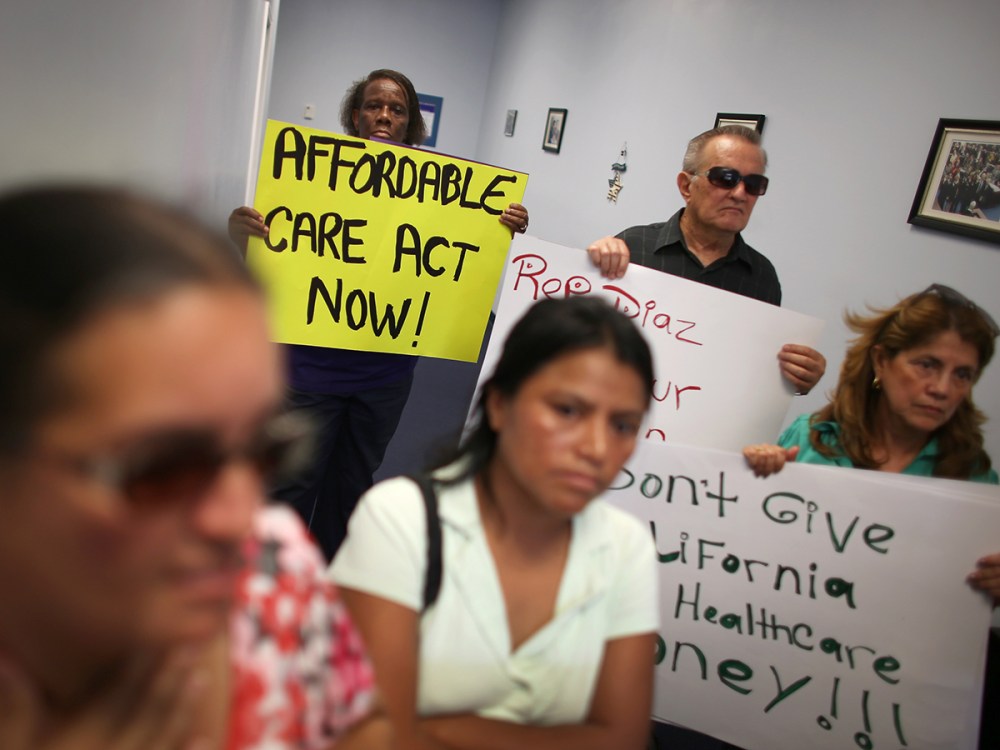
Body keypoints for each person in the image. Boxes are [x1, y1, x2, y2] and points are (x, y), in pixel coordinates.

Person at [0, 186, 389, 750]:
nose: (240, 520)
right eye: (162, 468)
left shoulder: (278, 567)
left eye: (265, 449)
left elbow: (363, 723)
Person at [330, 297, 659, 750]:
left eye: (624, 425)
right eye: (567, 410)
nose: (597, 447)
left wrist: (432, 728)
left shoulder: (627, 546)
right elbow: (364, 731)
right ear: (500, 404)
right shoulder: (402, 518)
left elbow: (622, 737)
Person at [229, 68, 530, 560]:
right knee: (290, 486)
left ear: (411, 124)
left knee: (351, 487)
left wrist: (504, 226)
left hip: (384, 377)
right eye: (374, 105)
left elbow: (464, 256)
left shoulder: (444, 198)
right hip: (308, 372)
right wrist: (242, 234)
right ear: (355, 114)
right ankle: (273, 588)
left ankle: (330, 582)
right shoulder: (309, 177)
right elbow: (273, 259)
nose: (384, 116)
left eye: (397, 109)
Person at [742, 283, 1000, 750]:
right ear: (882, 361)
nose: (942, 388)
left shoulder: (976, 483)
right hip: (774, 686)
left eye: (963, 375)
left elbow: (970, 610)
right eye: (927, 364)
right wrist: (752, 481)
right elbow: (747, 556)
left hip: (883, 710)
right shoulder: (812, 442)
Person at [586, 125, 826, 396]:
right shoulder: (632, 249)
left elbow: (753, 376)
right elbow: (583, 342)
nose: (739, 193)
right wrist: (590, 266)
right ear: (686, 186)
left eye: (754, 184)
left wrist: (795, 377)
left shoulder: (762, 277)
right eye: (725, 178)